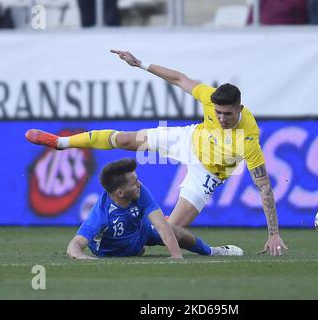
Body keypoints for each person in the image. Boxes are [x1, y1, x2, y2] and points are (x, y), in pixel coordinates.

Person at [26, 49, 288, 257]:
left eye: (227, 114)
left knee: (170, 232)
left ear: (240, 108)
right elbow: (179, 79)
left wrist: (273, 233)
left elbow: (263, 187)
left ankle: (212, 251)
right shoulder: (211, 98)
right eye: (217, 112)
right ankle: (61, 142)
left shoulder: (248, 139)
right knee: (126, 140)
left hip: (210, 172)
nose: (221, 118)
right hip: (188, 140)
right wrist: (140, 64)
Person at [66, 158, 243, 259]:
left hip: (141, 232)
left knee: (175, 230)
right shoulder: (100, 214)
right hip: (113, 252)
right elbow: (74, 246)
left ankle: (213, 251)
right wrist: (85, 259)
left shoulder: (141, 191)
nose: (140, 184)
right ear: (119, 192)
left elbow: (162, 226)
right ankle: (136, 250)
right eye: (134, 182)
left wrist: (176, 255)